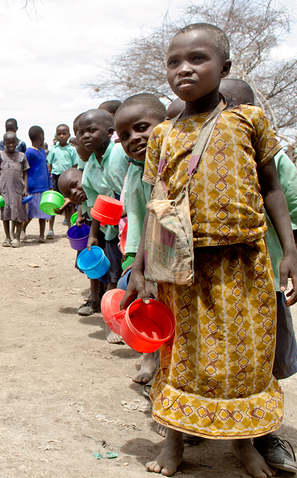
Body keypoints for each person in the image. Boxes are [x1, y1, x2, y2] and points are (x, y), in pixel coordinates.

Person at [123, 23, 297, 478]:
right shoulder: (162, 135)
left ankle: (243, 444)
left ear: (224, 66)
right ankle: (175, 442)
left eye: (197, 59)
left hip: (244, 261)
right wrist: (141, 268)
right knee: (181, 354)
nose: (184, 69)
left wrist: (291, 255)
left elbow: (273, 189)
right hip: (181, 266)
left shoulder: (249, 121)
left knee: (245, 357)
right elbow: (155, 205)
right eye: (173, 62)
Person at [218, 77, 297, 474]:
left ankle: (263, 433)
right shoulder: (192, 145)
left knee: (263, 358)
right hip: (212, 281)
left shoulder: (272, 155)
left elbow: (294, 219)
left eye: (237, 107)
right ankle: (209, 424)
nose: (230, 115)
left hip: (262, 280)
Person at [113, 93, 167, 381]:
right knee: (147, 302)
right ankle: (149, 359)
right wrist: (133, 258)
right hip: (144, 253)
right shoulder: (135, 172)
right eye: (125, 136)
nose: (134, 138)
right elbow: (136, 216)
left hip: (173, 252)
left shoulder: (173, 167)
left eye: (143, 128)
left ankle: (164, 364)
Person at [74, 109, 129, 327]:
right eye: (80, 132)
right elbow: (94, 202)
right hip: (110, 226)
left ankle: (118, 318)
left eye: (91, 131)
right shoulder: (90, 166)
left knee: (125, 270)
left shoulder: (119, 153)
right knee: (112, 268)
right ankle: (113, 316)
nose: (85, 136)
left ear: (109, 132)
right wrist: (93, 235)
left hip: (130, 220)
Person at [0, 131, 29, 247]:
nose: (11, 145)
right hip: (4, 189)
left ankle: (17, 238)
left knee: (18, 213)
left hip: (18, 189)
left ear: (17, 142)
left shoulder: (22, 156)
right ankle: (7, 237)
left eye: (13, 142)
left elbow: (25, 174)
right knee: (5, 213)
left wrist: (26, 188)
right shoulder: (0, 156)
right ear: (4, 143)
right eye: (8, 143)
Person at [23, 125, 53, 243]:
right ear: (41, 137)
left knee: (43, 213)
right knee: (30, 211)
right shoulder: (29, 152)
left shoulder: (42, 152)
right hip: (33, 187)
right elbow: (24, 170)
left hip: (44, 187)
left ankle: (41, 234)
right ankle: (22, 229)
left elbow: (45, 169)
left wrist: (49, 184)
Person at [47, 124, 79, 230]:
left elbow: (75, 166)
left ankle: (70, 228)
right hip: (55, 178)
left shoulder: (72, 150)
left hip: (68, 180)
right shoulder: (53, 150)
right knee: (53, 203)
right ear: (56, 136)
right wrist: (48, 181)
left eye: (64, 134)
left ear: (69, 135)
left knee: (69, 204)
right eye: (59, 134)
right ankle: (51, 229)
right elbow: (49, 165)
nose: (61, 136)